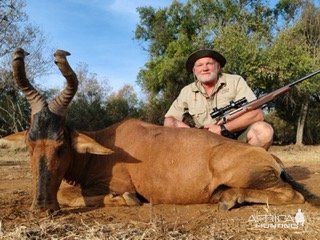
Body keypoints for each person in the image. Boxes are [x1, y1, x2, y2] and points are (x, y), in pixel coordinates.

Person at [164, 49, 273, 149]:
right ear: (194, 70)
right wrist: (194, 134)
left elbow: (257, 114)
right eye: (200, 65)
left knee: (263, 131)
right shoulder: (187, 91)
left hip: (237, 138)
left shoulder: (235, 81)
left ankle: (248, 168)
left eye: (209, 64)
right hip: (203, 143)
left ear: (218, 67)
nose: (205, 68)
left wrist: (223, 129)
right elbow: (169, 120)